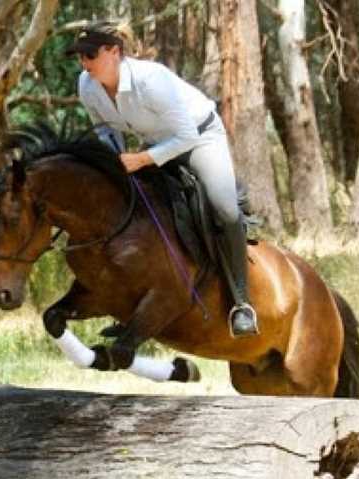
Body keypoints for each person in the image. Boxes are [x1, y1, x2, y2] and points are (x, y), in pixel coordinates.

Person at [65, 21, 258, 337]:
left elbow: (185, 136)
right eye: (80, 56)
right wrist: (115, 159)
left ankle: (241, 301)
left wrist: (139, 159)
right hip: (155, 144)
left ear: (114, 51)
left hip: (199, 138)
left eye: (90, 54)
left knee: (223, 208)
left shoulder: (150, 80)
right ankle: (132, 303)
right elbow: (104, 128)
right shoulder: (87, 85)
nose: (84, 63)